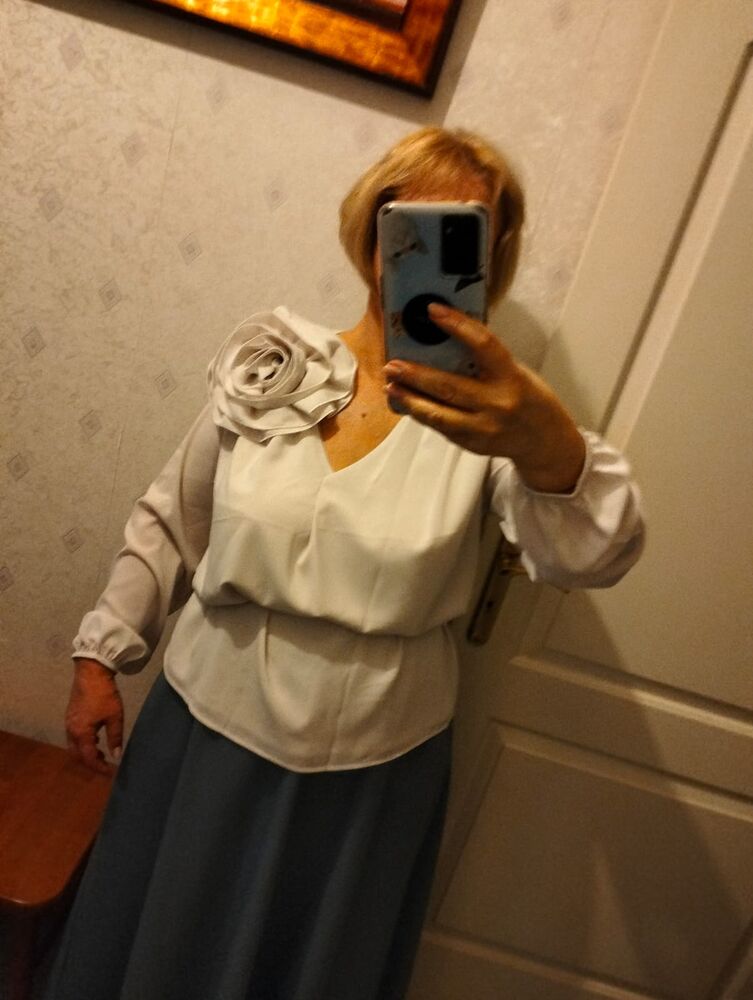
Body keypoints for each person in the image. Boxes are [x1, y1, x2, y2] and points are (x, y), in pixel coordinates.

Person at [45, 127, 644, 1000]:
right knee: (158, 940)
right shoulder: (272, 365)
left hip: (374, 768)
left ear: (492, 253)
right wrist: (100, 655)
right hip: (204, 727)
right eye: (407, 221)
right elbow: (173, 517)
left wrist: (546, 443)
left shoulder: (499, 417)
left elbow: (591, 555)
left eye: (461, 228)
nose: (421, 248)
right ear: (369, 229)